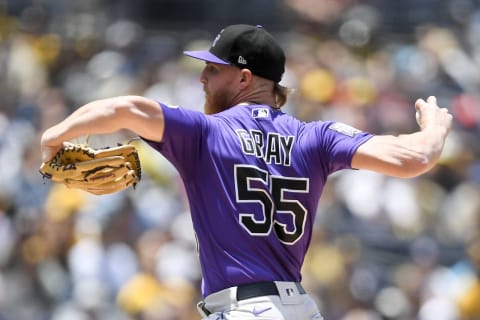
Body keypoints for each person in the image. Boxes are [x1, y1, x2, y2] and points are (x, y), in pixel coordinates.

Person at [40, 24, 452, 320]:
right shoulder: (316, 137)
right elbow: (413, 159)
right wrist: (434, 130)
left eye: (213, 69)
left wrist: (57, 134)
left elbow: (127, 109)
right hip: (300, 309)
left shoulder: (204, 132)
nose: (201, 77)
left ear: (244, 77)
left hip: (243, 310)